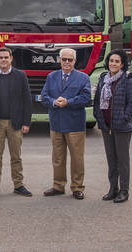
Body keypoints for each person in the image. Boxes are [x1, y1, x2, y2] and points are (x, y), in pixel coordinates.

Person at [0, 47, 33, 197]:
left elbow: (27, 100)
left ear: (11, 59)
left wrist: (26, 122)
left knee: (16, 156)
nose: (3, 60)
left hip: (15, 123)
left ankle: (18, 184)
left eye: (6, 57)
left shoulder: (20, 76)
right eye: (0, 57)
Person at [40, 48, 91, 199]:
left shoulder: (83, 78)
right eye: (64, 59)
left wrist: (68, 102)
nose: (67, 62)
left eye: (70, 60)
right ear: (59, 60)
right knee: (57, 158)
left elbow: (86, 97)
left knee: (77, 158)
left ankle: (77, 187)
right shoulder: (51, 77)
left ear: (75, 61)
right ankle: (58, 185)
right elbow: (44, 97)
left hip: (75, 125)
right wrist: (54, 102)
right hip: (56, 124)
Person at [93, 49, 132, 203]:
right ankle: (113, 189)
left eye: (117, 61)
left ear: (122, 64)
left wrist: (124, 118)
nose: (113, 64)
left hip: (122, 127)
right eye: (111, 61)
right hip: (106, 126)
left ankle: (124, 190)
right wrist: (98, 117)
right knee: (111, 159)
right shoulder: (103, 78)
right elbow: (98, 99)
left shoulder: (128, 79)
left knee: (122, 160)